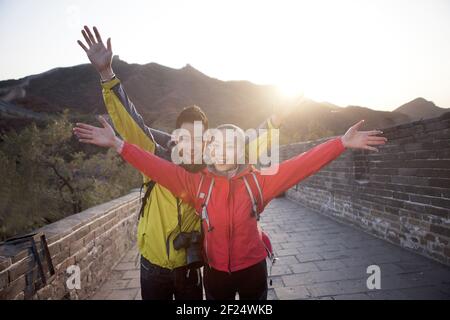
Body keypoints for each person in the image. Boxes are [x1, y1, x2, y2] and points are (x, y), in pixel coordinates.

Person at [73, 114, 387, 300]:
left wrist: (340, 144)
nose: (224, 152)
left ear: (241, 151)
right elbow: (156, 166)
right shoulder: (197, 184)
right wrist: (118, 144)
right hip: (215, 272)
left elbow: (301, 165)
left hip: (253, 268)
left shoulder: (258, 181)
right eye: (219, 146)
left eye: (231, 146)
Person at [77, 26, 282, 300]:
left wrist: (273, 123)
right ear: (176, 137)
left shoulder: (212, 170)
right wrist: (106, 73)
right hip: (152, 266)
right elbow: (132, 123)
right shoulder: (155, 157)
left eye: (198, 138)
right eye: (185, 136)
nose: (191, 144)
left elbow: (246, 146)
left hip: (191, 268)